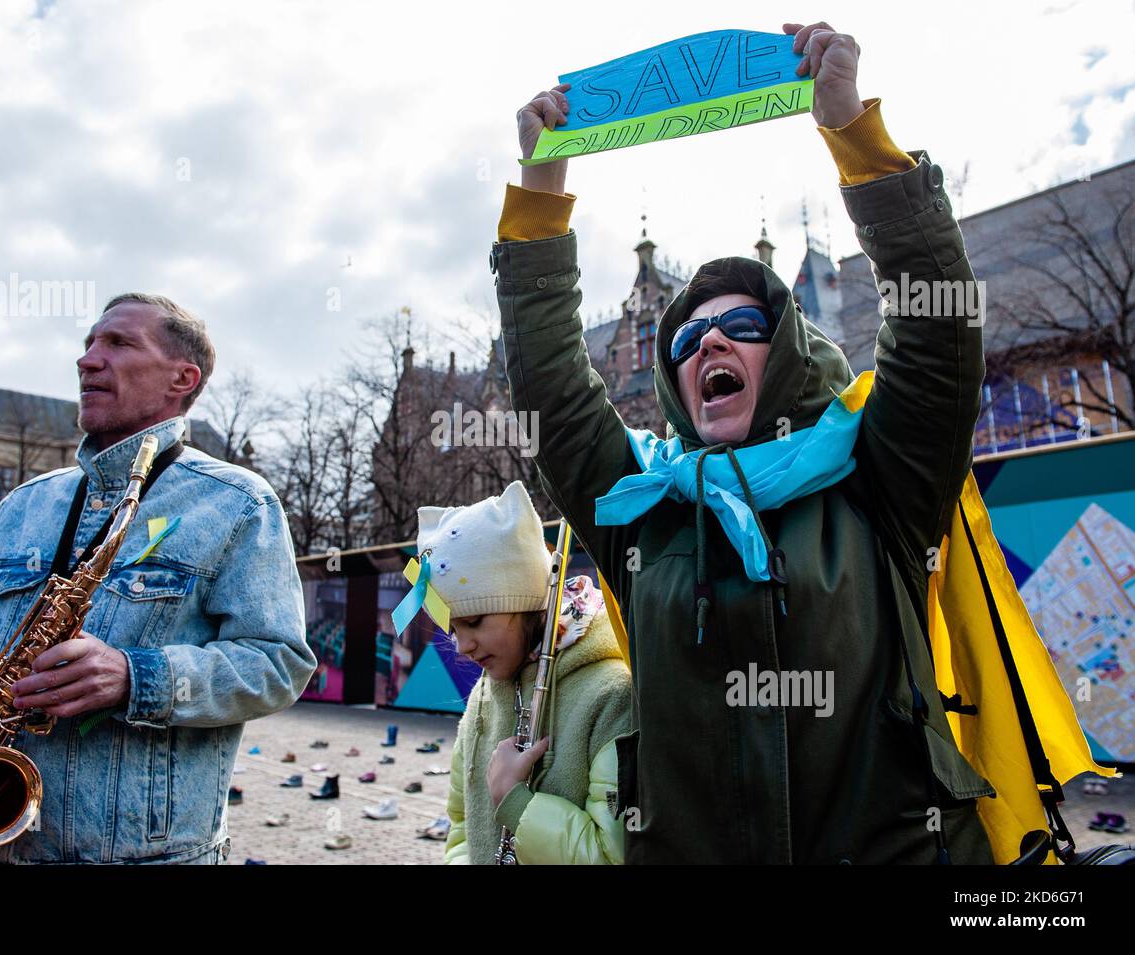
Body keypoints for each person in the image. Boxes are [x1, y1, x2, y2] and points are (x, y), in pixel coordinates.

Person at [490, 22, 996, 863]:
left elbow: (940, 321)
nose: (710, 343)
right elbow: (550, 388)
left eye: (742, 326)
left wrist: (853, 132)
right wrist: (541, 189)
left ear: (791, 355)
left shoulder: (881, 479)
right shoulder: (639, 511)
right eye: (687, 340)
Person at [0, 293, 317, 864]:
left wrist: (133, 677)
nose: (87, 359)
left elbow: (279, 664)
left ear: (181, 379)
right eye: (89, 343)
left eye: (117, 343)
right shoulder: (23, 506)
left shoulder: (239, 503)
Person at [402, 481, 630, 864]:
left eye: (473, 621)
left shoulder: (611, 696)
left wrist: (517, 804)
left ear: (526, 604)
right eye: (453, 630)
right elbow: (460, 825)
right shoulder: (484, 694)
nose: (462, 646)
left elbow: (613, 855)